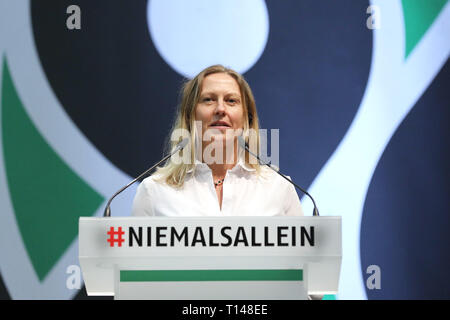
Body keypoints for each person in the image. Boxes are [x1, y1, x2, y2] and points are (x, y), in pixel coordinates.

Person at [131, 65, 303, 217]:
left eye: (231, 101)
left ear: (246, 119)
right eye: (209, 99)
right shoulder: (154, 191)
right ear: (190, 115)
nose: (220, 109)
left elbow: (303, 253)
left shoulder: (279, 188)